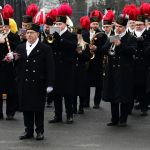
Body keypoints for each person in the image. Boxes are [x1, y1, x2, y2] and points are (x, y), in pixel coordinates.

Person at [10, 23, 54, 140]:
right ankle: (28, 130)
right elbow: (17, 65)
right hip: (24, 81)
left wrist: (50, 84)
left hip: (38, 82)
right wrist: (12, 59)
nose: (29, 35)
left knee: (38, 108)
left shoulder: (45, 48)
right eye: (27, 33)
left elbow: (50, 67)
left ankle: (40, 131)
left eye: (31, 32)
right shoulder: (20, 47)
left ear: (38, 34)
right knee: (26, 108)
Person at [102, 14, 137, 127]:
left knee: (124, 95)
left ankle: (123, 119)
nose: (117, 28)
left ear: (125, 27)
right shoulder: (113, 36)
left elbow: (132, 51)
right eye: (116, 26)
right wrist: (102, 48)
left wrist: (120, 45)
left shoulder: (131, 38)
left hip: (125, 71)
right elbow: (104, 49)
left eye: (120, 27)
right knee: (113, 95)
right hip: (112, 69)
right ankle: (114, 119)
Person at [48, 13, 77, 124]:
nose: (58, 25)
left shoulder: (71, 35)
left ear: (65, 24)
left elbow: (72, 47)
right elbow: (48, 47)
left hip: (67, 68)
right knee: (56, 93)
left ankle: (70, 115)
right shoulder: (53, 35)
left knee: (68, 93)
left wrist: (60, 40)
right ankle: (57, 115)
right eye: (57, 23)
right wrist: (48, 38)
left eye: (60, 23)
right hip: (56, 67)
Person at [0, 18, 20, 120]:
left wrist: (6, 43)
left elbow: (17, 48)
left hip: (10, 66)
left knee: (11, 90)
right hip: (0, 65)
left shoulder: (14, 36)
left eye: (3, 26)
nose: (1, 28)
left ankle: (10, 112)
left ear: (7, 26)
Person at [133, 14, 150, 116]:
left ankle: (144, 108)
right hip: (133, 64)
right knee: (132, 87)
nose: (138, 26)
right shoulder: (131, 34)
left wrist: (143, 44)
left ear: (145, 25)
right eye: (137, 24)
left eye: (140, 24)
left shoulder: (148, 34)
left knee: (143, 86)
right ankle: (130, 107)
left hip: (144, 64)